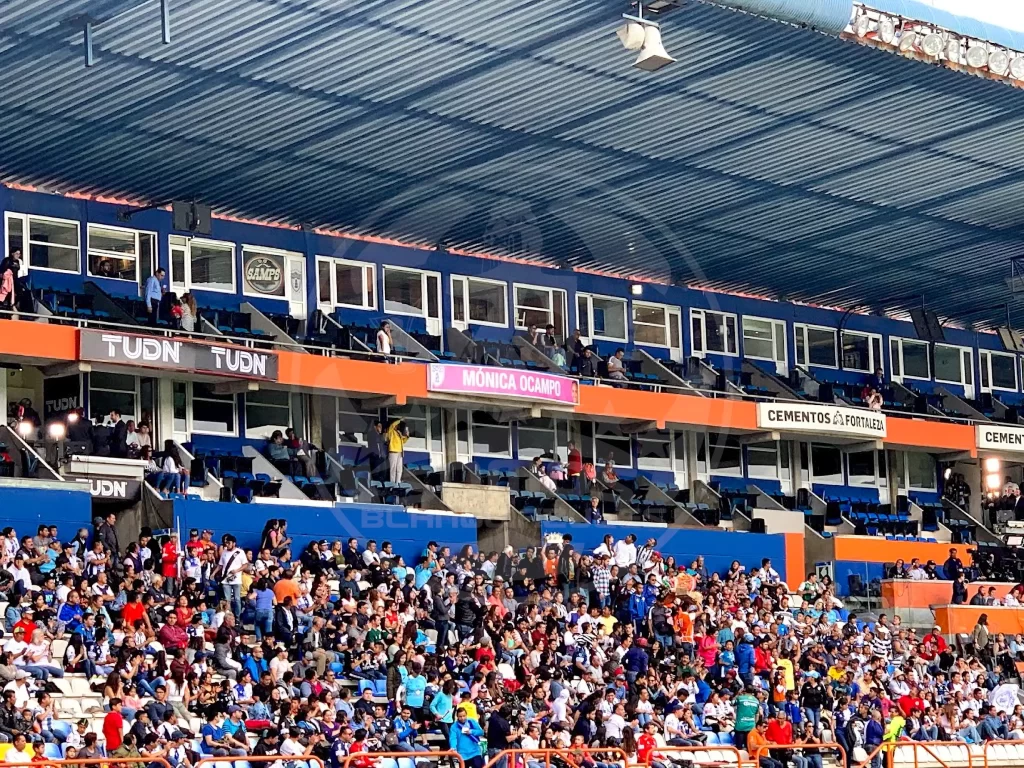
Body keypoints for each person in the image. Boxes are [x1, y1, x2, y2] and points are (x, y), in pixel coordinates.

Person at [384, 418, 410, 484]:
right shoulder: (391, 431)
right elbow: (392, 425)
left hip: (400, 452)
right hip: (393, 451)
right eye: (398, 424)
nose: (398, 426)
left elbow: (403, 441)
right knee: (393, 468)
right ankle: (392, 483)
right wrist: (400, 420)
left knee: (399, 468)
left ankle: (398, 482)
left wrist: (407, 436)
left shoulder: (399, 432)